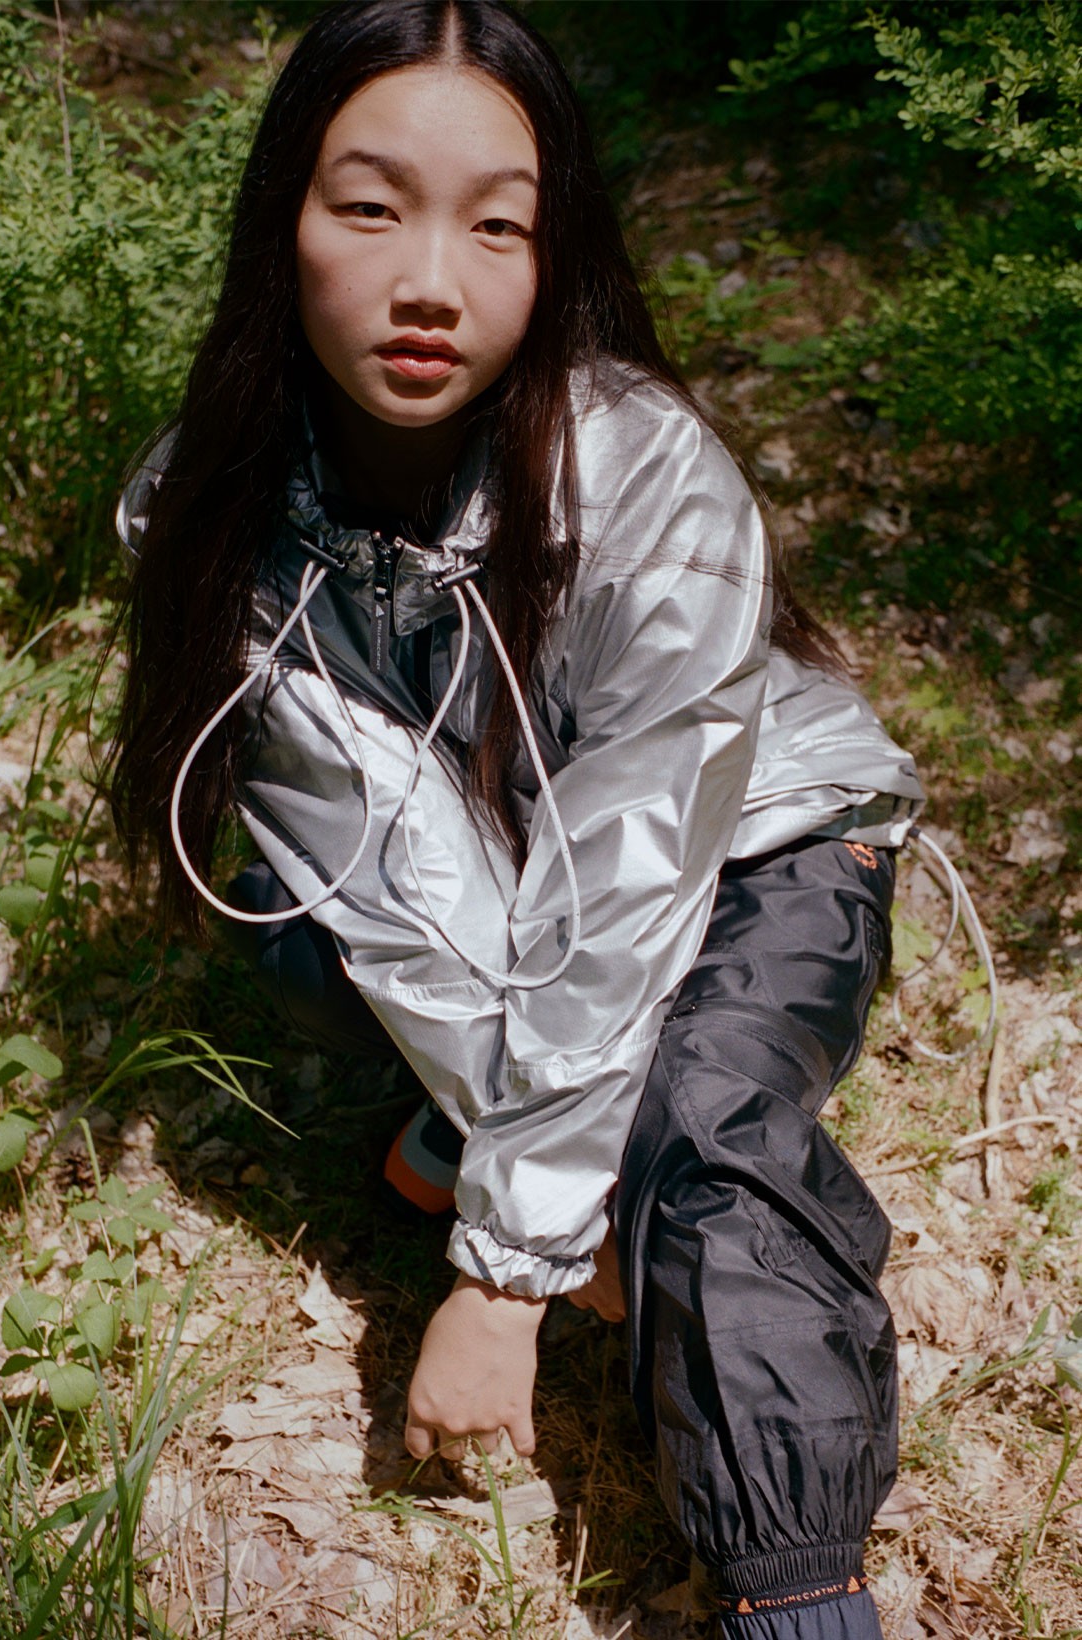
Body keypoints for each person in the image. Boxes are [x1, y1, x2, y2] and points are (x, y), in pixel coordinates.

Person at [109, 4, 926, 1634]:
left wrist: (501, 1274)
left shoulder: (641, 474)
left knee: (703, 1128)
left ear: (557, 257)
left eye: (499, 226)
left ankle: (797, 1593)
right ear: (281, 219)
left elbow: (627, 876)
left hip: (756, 836)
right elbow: (392, 873)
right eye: (369, 206)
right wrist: (546, 1214)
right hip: (496, 867)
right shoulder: (209, 500)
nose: (431, 280)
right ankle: (498, 1146)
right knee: (306, 922)